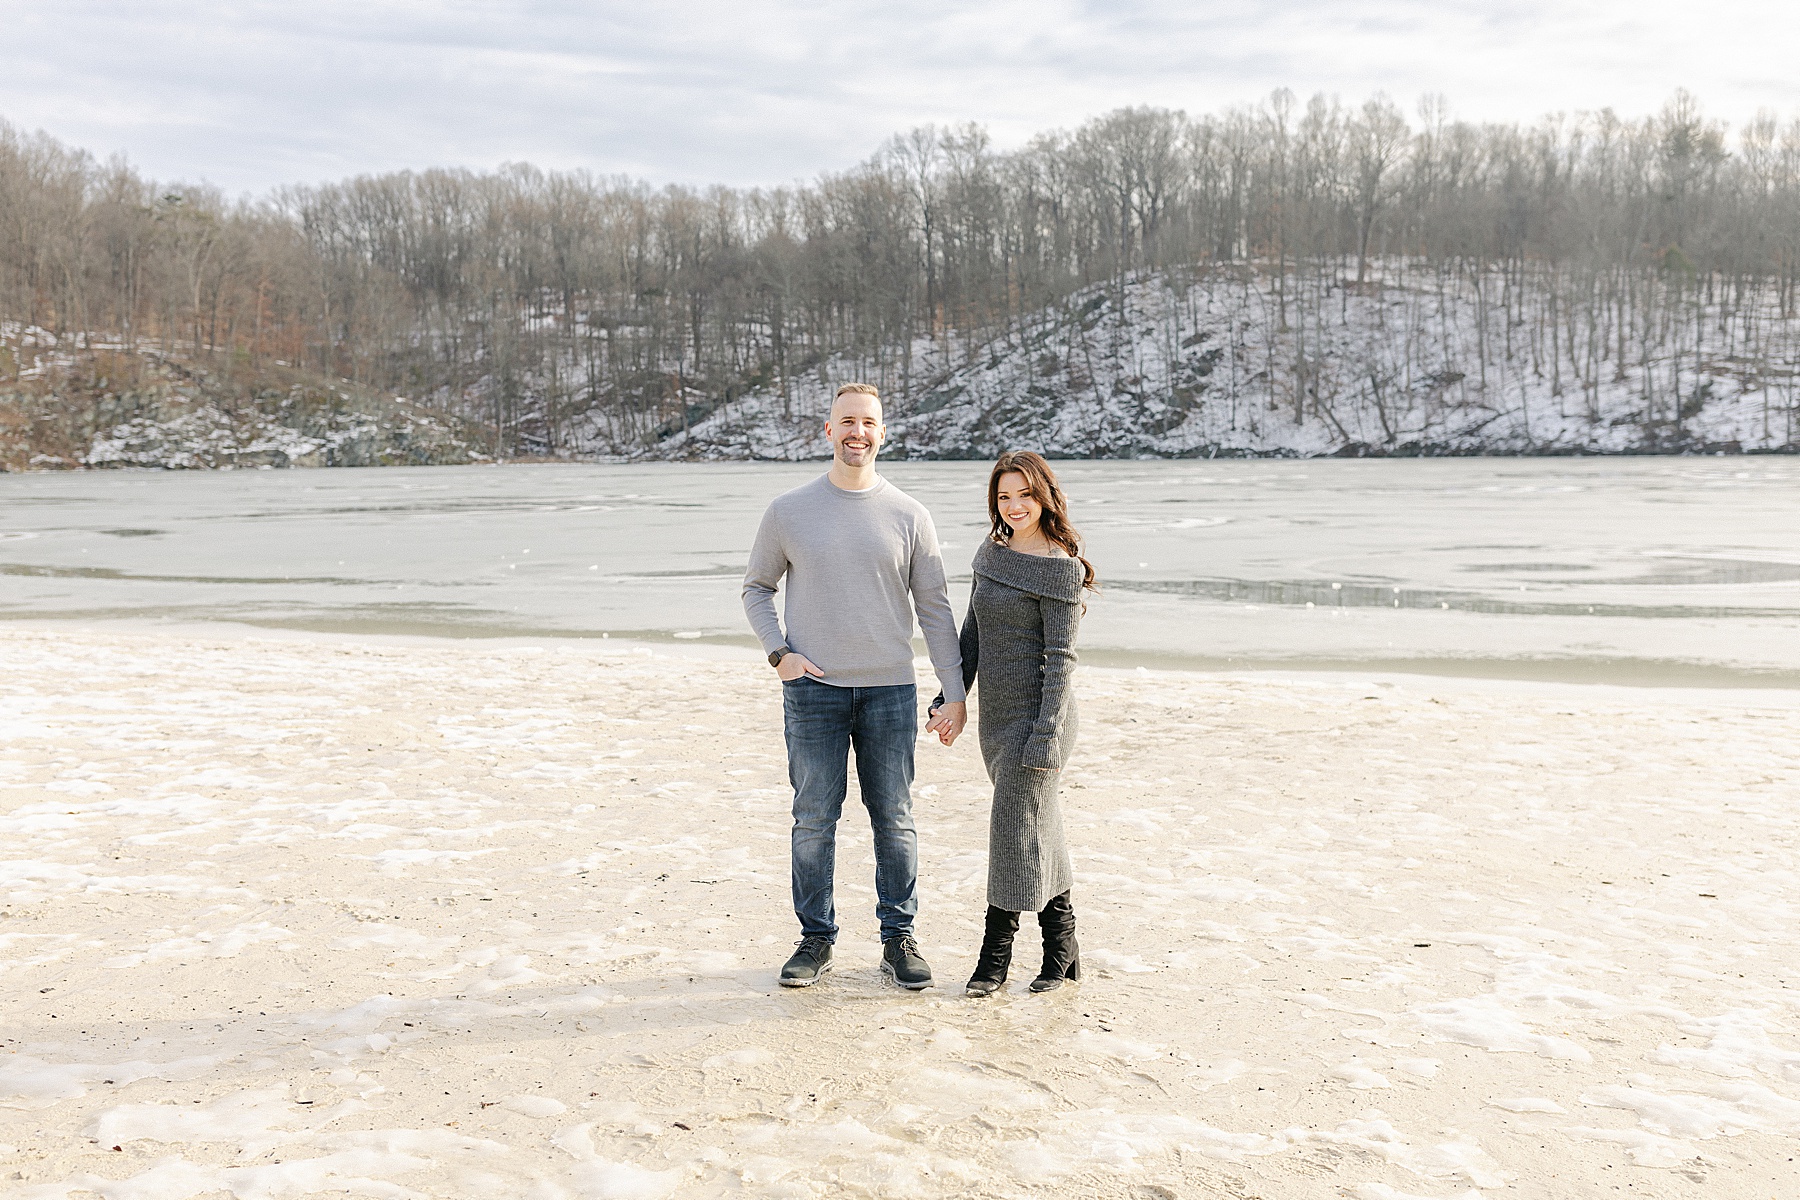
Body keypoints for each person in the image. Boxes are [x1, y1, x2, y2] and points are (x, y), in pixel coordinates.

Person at [742, 383, 967, 990]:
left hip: (891, 691)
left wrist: (955, 692)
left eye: (868, 422)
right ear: (827, 429)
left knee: (894, 819)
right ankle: (816, 939)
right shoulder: (789, 511)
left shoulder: (911, 515)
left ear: (883, 432)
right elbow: (756, 588)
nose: (857, 432)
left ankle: (899, 940)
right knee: (814, 817)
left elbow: (936, 609)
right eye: (846, 421)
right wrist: (779, 654)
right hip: (813, 690)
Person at [927, 450, 1096, 996]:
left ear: (1044, 495)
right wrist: (951, 696)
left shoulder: (1060, 568)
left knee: (1012, 828)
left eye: (1025, 494)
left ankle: (994, 957)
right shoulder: (992, 554)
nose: (1015, 505)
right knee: (1039, 826)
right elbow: (972, 634)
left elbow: (1062, 658)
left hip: (1042, 720)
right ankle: (1062, 946)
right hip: (997, 721)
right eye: (1004, 496)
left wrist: (1046, 736)